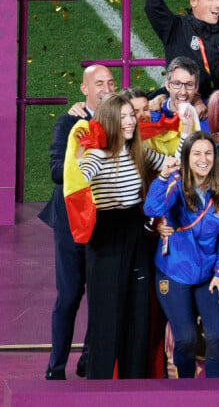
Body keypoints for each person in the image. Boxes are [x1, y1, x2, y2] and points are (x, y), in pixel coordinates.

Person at [70, 92, 191, 379]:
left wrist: (185, 134)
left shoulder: (138, 150)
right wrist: (77, 157)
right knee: (107, 317)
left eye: (131, 116)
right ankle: (100, 387)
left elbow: (171, 162)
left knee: (138, 314)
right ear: (109, 120)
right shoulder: (97, 155)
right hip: (106, 238)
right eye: (123, 116)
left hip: (135, 232)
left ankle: (134, 384)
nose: (130, 121)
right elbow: (79, 184)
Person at [144, 131, 219, 378]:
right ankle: (186, 389)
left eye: (208, 153)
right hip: (174, 270)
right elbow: (152, 208)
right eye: (196, 153)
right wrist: (164, 176)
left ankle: (215, 393)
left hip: (210, 274)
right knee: (185, 340)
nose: (203, 159)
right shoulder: (176, 183)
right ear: (186, 158)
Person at [39, 64, 115, 380]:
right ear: (84, 89)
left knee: (100, 296)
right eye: (99, 83)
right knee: (70, 295)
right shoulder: (69, 122)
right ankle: (56, 367)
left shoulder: (120, 123)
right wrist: (84, 147)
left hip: (104, 222)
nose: (106, 88)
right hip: (71, 223)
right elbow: (57, 172)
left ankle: (88, 359)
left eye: (111, 82)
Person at [147, 57, 202, 153]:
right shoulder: (150, 115)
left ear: (196, 87)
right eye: (177, 84)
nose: (183, 92)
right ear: (167, 86)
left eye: (189, 84)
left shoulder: (202, 120)